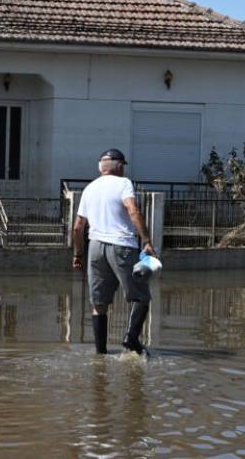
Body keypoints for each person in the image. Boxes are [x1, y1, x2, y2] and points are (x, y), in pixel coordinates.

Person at [72, 148, 157, 355]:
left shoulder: (89, 189)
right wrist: (146, 241)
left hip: (94, 247)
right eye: (123, 166)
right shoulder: (124, 184)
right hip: (122, 246)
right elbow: (133, 210)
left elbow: (77, 227)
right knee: (141, 297)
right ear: (119, 166)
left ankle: (100, 353)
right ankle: (130, 339)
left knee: (99, 303)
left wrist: (77, 255)